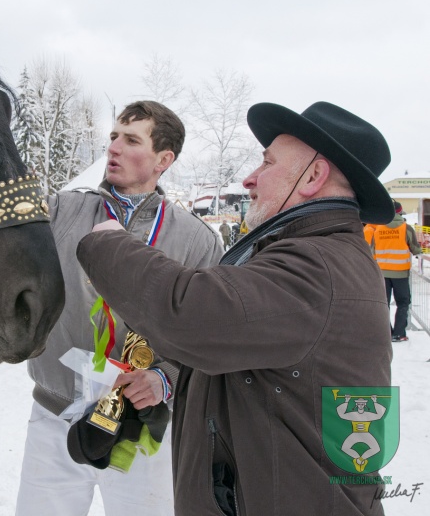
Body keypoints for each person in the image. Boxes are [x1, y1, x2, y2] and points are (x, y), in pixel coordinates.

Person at [76, 101, 394, 515]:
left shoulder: (316, 268)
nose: (249, 179)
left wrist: (107, 244)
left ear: (313, 176)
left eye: (266, 163)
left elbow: (189, 315)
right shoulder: (317, 256)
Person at [16, 101, 222, 516]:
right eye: (113, 137)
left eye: (131, 140)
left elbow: (212, 336)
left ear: (164, 159)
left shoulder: (198, 241)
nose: (113, 148)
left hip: (142, 431)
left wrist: (166, 378)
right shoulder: (60, 211)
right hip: (56, 416)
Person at [366, 200, 422, 342]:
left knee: (384, 303)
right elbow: (415, 249)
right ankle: (399, 333)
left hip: (382, 273)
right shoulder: (406, 228)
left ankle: (386, 333)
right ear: (400, 213)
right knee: (403, 302)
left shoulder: (377, 229)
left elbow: (373, 251)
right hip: (400, 273)